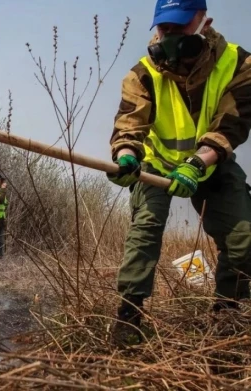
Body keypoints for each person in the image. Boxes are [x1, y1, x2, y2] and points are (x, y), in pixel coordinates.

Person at [107, 0, 251, 346]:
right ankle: (129, 317)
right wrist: (126, 157)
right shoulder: (142, 73)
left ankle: (227, 317)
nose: (169, 37)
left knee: (244, 237)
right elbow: (129, 126)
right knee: (146, 230)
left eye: (179, 28)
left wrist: (199, 162)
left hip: (211, 162)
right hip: (156, 164)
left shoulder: (239, 64)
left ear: (204, 23)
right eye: (164, 29)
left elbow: (232, 125)